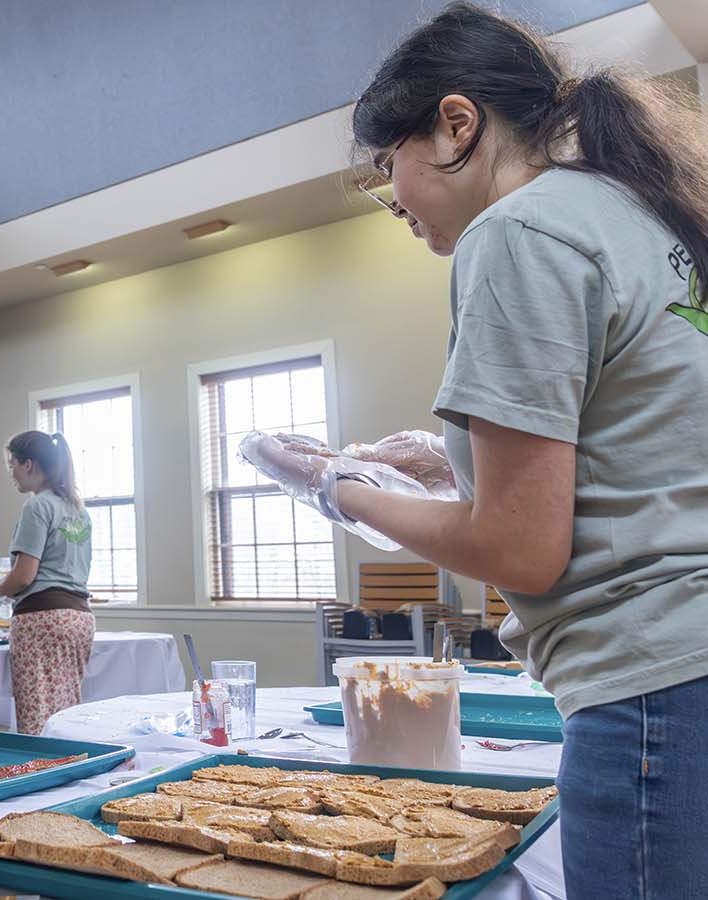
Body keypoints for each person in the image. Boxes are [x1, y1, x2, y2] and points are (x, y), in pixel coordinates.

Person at [244, 5, 708, 897]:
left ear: (457, 123)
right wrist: (442, 461)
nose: (397, 205)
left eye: (391, 169)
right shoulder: (640, 215)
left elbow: (520, 549)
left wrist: (334, 486)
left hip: (654, 683)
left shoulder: (517, 230)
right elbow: (637, 444)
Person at [0, 431, 94, 735]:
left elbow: (24, 575)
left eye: (12, 465)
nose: (11, 473)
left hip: (42, 620)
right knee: (66, 713)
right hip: (79, 618)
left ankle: (41, 776)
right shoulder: (79, 510)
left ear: (28, 464)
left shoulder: (37, 506)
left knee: (37, 716)